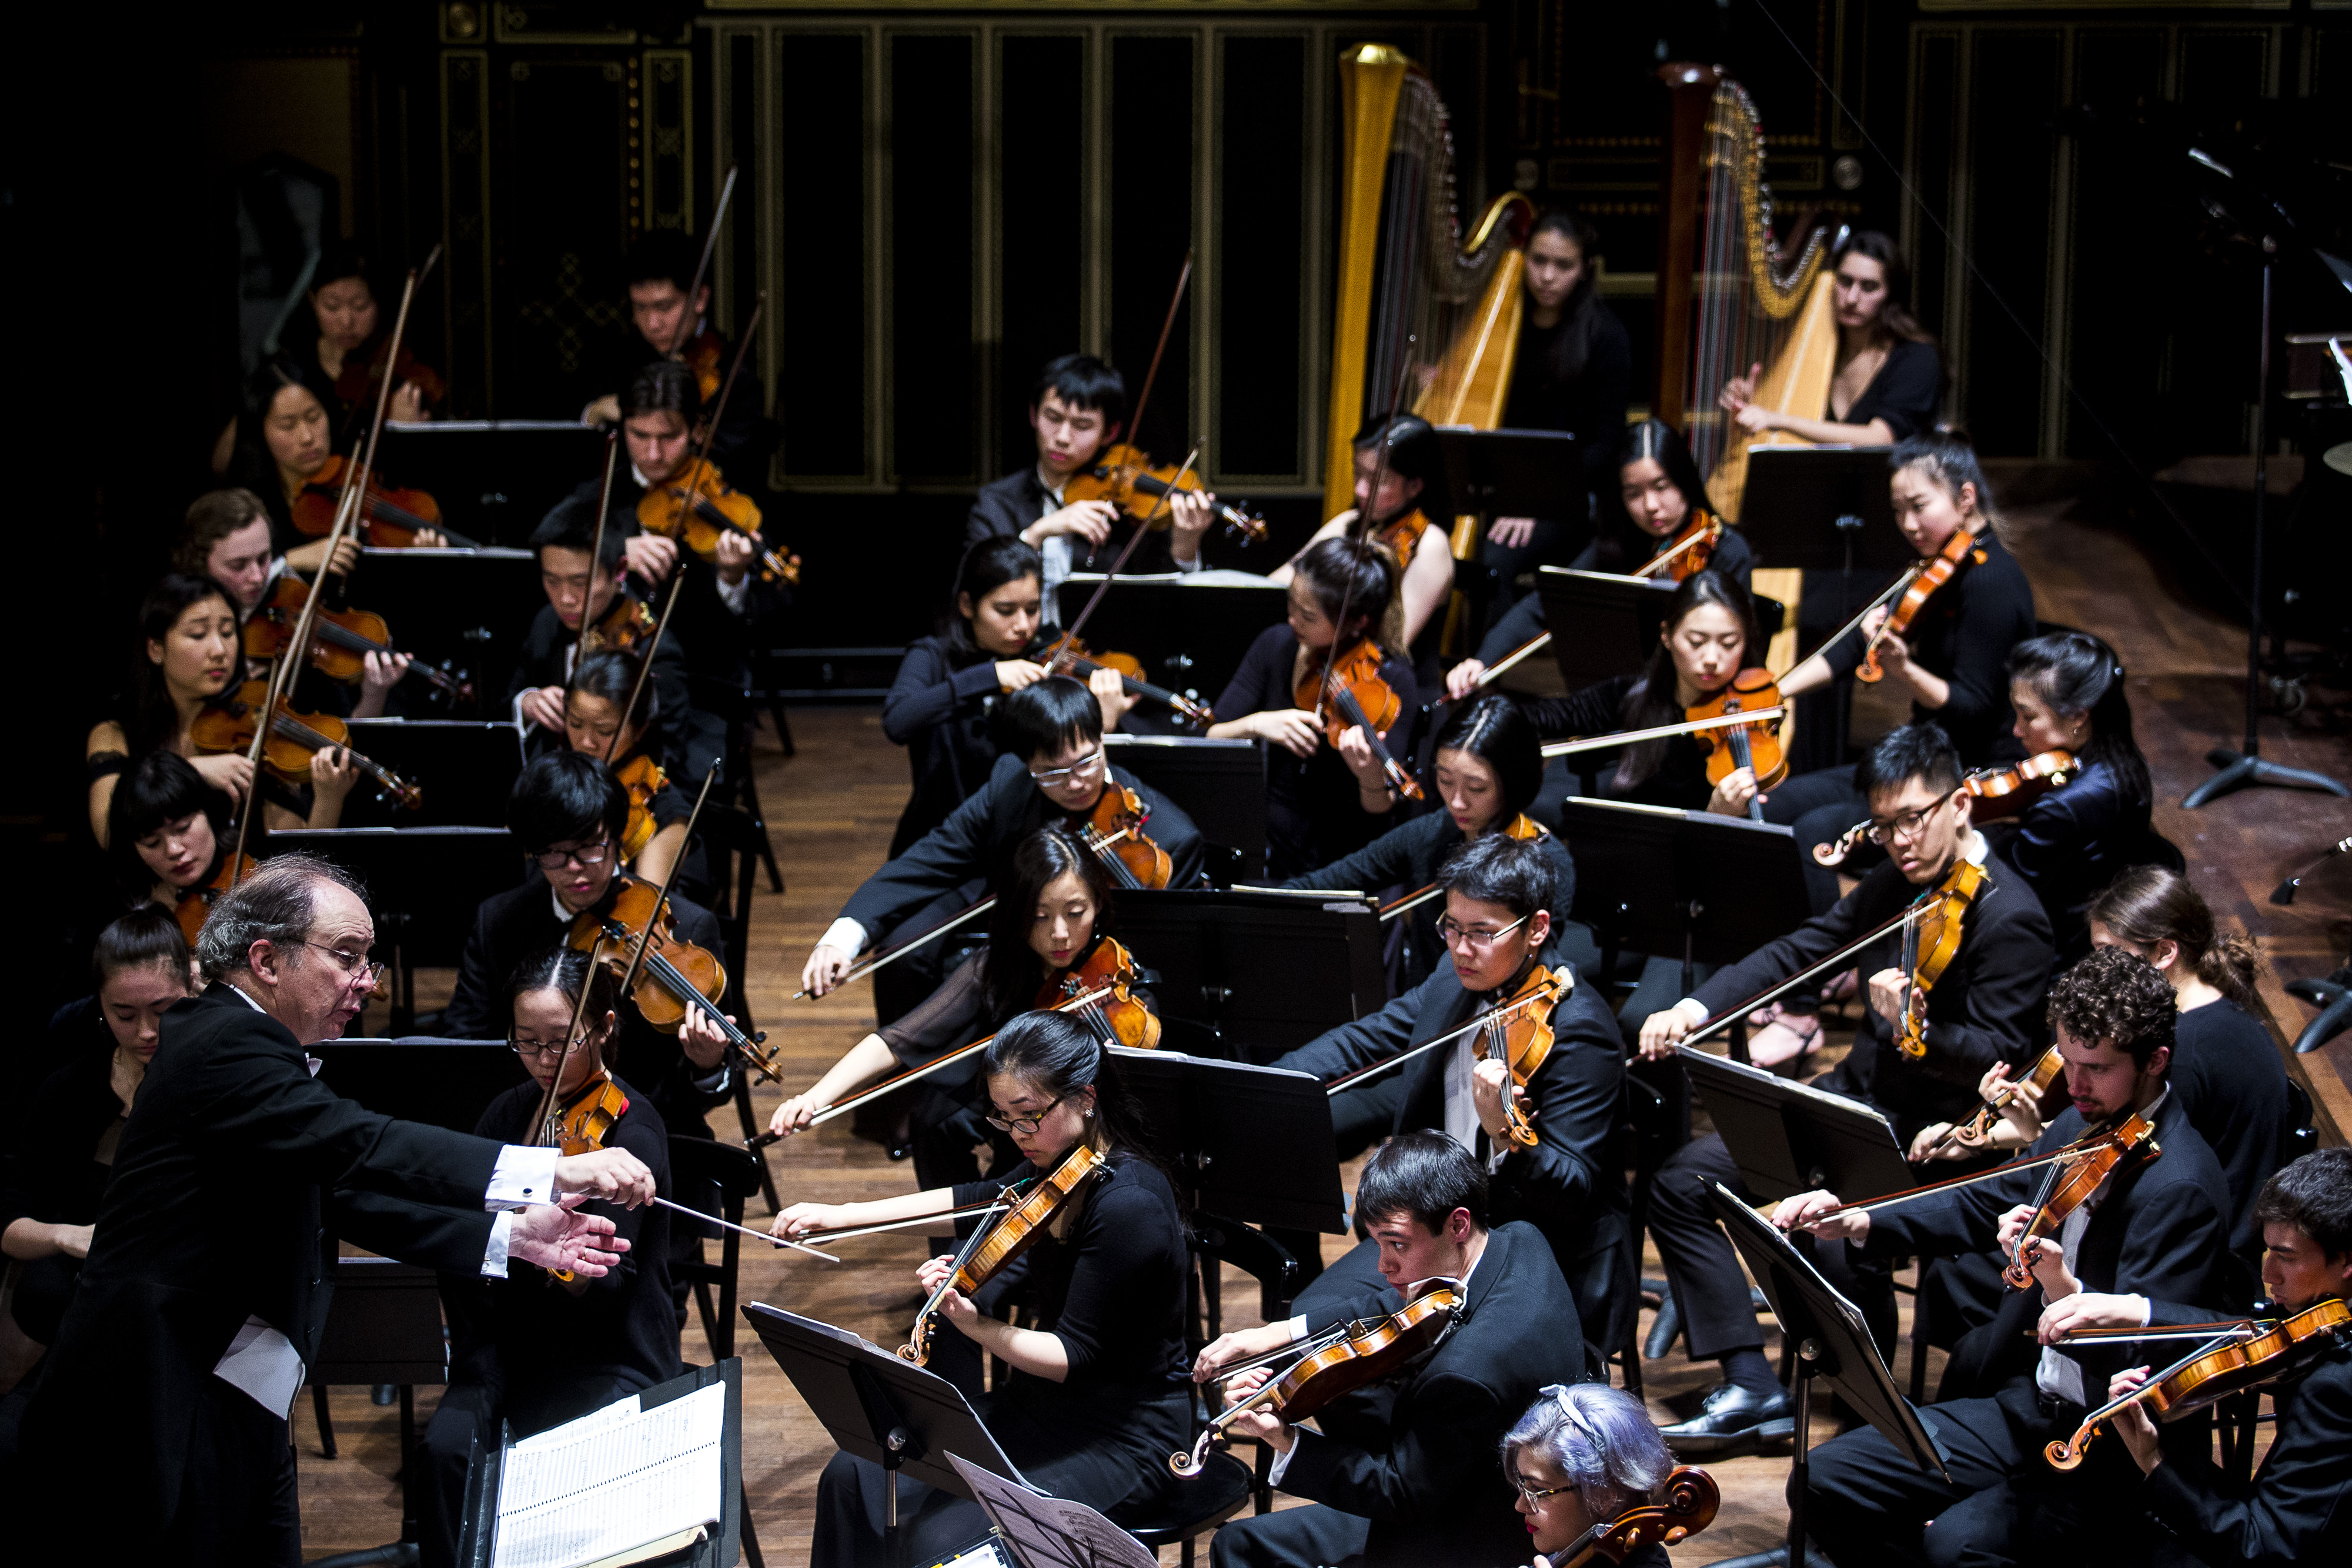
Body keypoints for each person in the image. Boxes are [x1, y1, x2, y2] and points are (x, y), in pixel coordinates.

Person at [13, 855, 653, 1562]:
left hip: (236, 1386)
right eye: (347, 956)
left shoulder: (244, 1046)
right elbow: (360, 1144)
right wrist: (549, 1170)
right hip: (164, 1395)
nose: (367, 981)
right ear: (267, 960)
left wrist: (512, 1239)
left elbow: (342, 1196)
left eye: (369, 960)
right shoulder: (222, 1044)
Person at [1632, 724, 2054, 1451]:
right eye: (1884, 826)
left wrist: (1910, 1028)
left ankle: (1869, 1432)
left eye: (1913, 820)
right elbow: (1803, 949)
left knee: (1838, 1241)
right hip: (1850, 1104)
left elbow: (1997, 1062)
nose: (1898, 842)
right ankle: (1750, 1386)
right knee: (1682, 1182)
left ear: (1960, 804)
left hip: (1934, 1139)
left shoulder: (2011, 919)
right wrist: (1694, 1009)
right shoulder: (1899, 881)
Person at [1780, 947, 2237, 1568]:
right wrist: (1859, 1220)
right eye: (2068, 1063)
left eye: (2096, 1069)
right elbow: (1981, 1197)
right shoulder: (2083, 1126)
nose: (2074, 1087)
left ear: (2155, 1061)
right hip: (2030, 1411)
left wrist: (2060, 1287)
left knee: (1956, 1544)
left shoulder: (2179, 1187)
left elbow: (2138, 1366)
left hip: (2105, 1449)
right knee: (1826, 1478)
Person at [779, 1011, 1195, 1562]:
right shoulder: (1056, 1164)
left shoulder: (1129, 1203)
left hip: (1126, 1437)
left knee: (938, 1541)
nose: (1018, 1135)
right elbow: (973, 1199)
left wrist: (974, 1323)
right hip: (1041, 1406)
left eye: (1028, 1116)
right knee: (853, 1476)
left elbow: (1072, 1355)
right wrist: (841, 1216)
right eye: (1003, 1119)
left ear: (1086, 1097)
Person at [1269, 835, 1630, 1366]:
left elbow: (1572, 1190)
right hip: (1435, 1229)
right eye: (1452, 927)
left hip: (1525, 1250)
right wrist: (1273, 1079)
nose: (1461, 948)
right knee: (1313, 1313)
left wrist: (1507, 1134)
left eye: (1482, 932)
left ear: (1537, 928)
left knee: (1370, 1355)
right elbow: (1369, 1035)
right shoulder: (1457, 977)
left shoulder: (1579, 1032)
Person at [1197, 1132, 1589, 1568]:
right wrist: (1281, 1333)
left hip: (1470, 1535)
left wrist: (1285, 1439)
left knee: (1239, 1545)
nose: (1383, 1266)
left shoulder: (1469, 1372)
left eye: (1396, 1244)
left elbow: (1399, 1492)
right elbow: (1412, 1300)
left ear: (1457, 1224)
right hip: (1482, 1487)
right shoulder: (1519, 1241)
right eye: (1377, 1244)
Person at [418, 948, 677, 1568]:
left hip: (603, 1353)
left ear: (605, 1029)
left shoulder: (630, 1130)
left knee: (564, 1466)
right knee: (444, 1449)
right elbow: (460, 1218)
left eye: (561, 1042)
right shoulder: (507, 1113)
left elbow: (601, 1286)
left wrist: (535, 1228)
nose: (543, 1061)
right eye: (526, 1043)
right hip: (505, 1345)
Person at [769, 827, 1154, 1191]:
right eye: (1040, 915)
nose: (1059, 933)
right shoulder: (998, 964)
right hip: (1011, 1098)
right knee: (933, 1120)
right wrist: (814, 1099)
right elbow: (899, 1038)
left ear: (1099, 905)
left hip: (1075, 1117)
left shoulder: (1117, 977)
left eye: (1075, 912)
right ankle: (955, 1241)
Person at [800, 676, 1203, 1022]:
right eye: (1054, 772)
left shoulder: (1170, 840)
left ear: (1102, 738)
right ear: (1028, 763)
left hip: (1083, 962)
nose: (1077, 783)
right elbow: (930, 858)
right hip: (1008, 918)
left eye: (1086, 762)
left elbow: (1159, 950)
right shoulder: (1010, 781)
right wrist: (842, 938)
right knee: (902, 954)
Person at [1757, 432, 2042, 920]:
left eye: (1919, 506)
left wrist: (1904, 668)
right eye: (1897, 510)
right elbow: (1852, 646)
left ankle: (1828, 967)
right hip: (1919, 757)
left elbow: (1972, 705)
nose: (1907, 524)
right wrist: (1774, 692)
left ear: (1965, 497)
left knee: (1810, 834)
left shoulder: (1990, 581)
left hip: (1960, 776)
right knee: (1771, 805)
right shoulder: (1934, 568)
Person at [443, 752, 744, 1142]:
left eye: (589, 847)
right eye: (552, 852)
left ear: (619, 837)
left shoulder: (686, 925)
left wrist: (708, 1063)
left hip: (648, 1135)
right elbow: (465, 1042)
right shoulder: (498, 921)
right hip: (529, 1128)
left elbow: (717, 1088)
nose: (573, 868)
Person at [2109, 1149, 2352, 1567]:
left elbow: (2264, 1546)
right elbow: (2253, 1334)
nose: (2269, 1275)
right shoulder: (2324, 1312)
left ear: (2347, 1260)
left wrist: (2155, 1461)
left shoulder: (2335, 1387)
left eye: (2287, 1257)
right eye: (2268, 1252)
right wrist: (2139, 1310)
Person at [572, 359, 785, 779]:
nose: (653, 454)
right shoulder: (596, 491)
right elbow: (550, 552)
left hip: (698, 689)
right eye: (640, 435)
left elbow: (767, 615)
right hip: (600, 692)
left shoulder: (725, 494)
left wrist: (731, 579)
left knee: (692, 776)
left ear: (698, 432)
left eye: (669, 438)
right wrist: (616, 550)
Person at [1282, 692, 1574, 992]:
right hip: (1418, 1010)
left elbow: (1539, 971)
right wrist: (1247, 901)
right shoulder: (1434, 832)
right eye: (1445, 781)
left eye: (1476, 787)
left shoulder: (1547, 862)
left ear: (1511, 784)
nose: (1457, 802)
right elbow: (1328, 883)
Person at [1449, 419, 1750, 700]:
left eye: (1662, 487)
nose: (1651, 506)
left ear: (1685, 482)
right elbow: (1543, 605)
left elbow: (1742, 648)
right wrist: (1481, 660)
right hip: (1625, 696)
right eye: (1633, 493)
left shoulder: (1725, 550)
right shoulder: (1618, 547)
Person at [2, 910, 191, 1348]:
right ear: (101, 1007)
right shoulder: (69, 1089)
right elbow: (11, 1221)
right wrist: (66, 1235)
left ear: (191, 992)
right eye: (124, 1013)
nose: (146, 1031)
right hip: (89, 1284)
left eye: (163, 1010)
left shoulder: (221, 1082)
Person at [2087, 868, 2289, 1275]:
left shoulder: (2178, 1053)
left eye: (2111, 953)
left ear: (2165, 953)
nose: (2098, 968)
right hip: (2204, 1234)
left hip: (2193, 1259)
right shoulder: (2220, 1010)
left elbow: (2125, 1168)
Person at [881, 536, 1135, 856]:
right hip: (940, 831)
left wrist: (1102, 724)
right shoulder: (932, 657)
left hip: (1025, 839)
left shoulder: (1047, 661)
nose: (1023, 627)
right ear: (967, 605)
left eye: (1032, 610)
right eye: (1005, 611)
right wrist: (989, 675)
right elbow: (897, 722)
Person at [85, 573, 360, 846]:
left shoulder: (254, 726)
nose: (219, 650)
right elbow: (110, 834)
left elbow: (298, 853)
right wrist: (192, 771)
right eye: (198, 635)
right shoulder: (114, 734)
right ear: (156, 649)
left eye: (228, 633)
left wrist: (329, 799)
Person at [1208, 537, 1420, 877]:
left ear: (1357, 622)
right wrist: (1257, 724)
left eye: (1307, 616)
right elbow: (1211, 735)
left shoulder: (1393, 683)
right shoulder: (1275, 643)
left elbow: (1382, 813)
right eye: (1291, 604)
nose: (1293, 620)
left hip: (1342, 858)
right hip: (1264, 848)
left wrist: (1369, 777)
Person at [965, 353, 1215, 622]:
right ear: (1033, 415)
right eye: (1053, 417)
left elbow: (1164, 609)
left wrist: (1185, 548)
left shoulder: (1128, 512)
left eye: (1082, 426)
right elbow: (974, 591)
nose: (1062, 438)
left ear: (1110, 433)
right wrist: (1037, 533)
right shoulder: (996, 503)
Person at [1482, 210, 1633, 610]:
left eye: (1563, 265)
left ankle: (1484, 669)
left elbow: (1605, 445)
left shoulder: (1605, 334)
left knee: (1496, 562)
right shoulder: (1501, 324)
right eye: (1538, 261)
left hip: (1575, 495)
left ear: (1584, 270)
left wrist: (1536, 500)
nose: (1547, 276)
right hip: (1507, 489)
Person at [1993, 631, 2160, 962]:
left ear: (2078, 716)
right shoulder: (2122, 756)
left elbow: (2008, 895)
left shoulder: (2063, 807)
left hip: (2057, 948)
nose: (2017, 730)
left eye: (2028, 717)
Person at [509, 493, 699, 770]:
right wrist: (527, 703)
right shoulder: (547, 622)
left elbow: (668, 755)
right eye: (551, 581)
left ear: (620, 570)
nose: (565, 599)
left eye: (580, 583)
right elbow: (508, 698)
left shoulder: (654, 650)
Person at [580, 229, 766, 473]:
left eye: (665, 307)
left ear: (700, 298)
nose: (652, 323)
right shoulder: (620, 356)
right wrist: (595, 411)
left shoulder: (734, 372)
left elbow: (736, 458)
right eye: (640, 308)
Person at [1268, 412, 1455, 652]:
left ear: (1415, 486)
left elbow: (1392, 645)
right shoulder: (1350, 523)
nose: (1360, 490)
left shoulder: (1431, 544)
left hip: (1386, 683)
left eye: (1377, 481)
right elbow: (1276, 586)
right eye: (1358, 473)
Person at [220, 359, 446, 553]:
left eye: (313, 417)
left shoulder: (360, 474)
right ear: (260, 431)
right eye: (288, 425)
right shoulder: (248, 508)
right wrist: (292, 560)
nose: (307, 437)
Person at [556, 650, 693, 891]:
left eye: (605, 731)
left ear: (639, 730)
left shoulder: (664, 813)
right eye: (575, 723)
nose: (586, 742)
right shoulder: (557, 781)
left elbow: (644, 908)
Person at [1501, 1384, 1679, 1568]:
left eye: (1538, 1490)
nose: (1520, 1506)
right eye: (1523, 1485)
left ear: (1604, 1497)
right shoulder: (1574, 1554)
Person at [286, 242, 445, 440]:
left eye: (360, 307)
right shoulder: (292, 371)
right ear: (312, 300)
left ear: (379, 303)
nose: (346, 321)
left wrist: (405, 433)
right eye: (332, 307)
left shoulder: (401, 360)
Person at [106, 751, 237, 936]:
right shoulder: (126, 921)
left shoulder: (258, 880)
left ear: (210, 813)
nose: (174, 850)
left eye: (183, 828)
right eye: (152, 843)